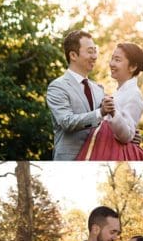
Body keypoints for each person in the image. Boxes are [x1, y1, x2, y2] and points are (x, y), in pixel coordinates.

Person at [76, 42, 143, 160]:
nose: (111, 64)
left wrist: (113, 113)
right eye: (112, 59)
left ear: (132, 67)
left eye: (117, 60)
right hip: (103, 147)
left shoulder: (134, 94)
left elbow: (127, 135)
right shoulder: (118, 92)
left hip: (114, 152)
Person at [46, 30, 113, 160]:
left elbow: (107, 123)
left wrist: (129, 134)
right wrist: (100, 112)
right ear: (73, 55)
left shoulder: (99, 89)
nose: (94, 56)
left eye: (95, 51)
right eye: (89, 51)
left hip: (97, 159)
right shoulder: (57, 87)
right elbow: (67, 122)